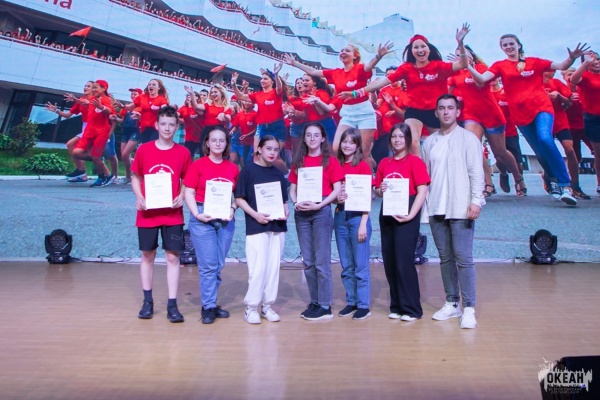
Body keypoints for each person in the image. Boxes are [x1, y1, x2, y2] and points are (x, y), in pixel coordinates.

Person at [467, 34, 589, 205]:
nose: (508, 47)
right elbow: (481, 79)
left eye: (511, 43)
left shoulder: (534, 62)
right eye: (504, 45)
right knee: (539, 152)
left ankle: (565, 184)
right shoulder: (500, 65)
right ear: (501, 48)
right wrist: (466, 64)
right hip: (520, 116)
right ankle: (553, 181)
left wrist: (572, 58)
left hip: (542, 108)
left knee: (545, 139)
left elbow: (562, 65)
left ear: (518, 45)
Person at [341, 25, 470, 156]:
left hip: (435, 111)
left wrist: (460, 43)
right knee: (412, 142)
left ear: (429, 49)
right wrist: (355, 93)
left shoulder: (439, 66)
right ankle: (418, 168)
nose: (420, 50)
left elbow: (462, 64)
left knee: (439, 147)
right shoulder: (406, 68)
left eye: (423, 46)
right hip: (414, 111)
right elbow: (381, 83)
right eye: (416, 47)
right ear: (411, 51)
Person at [421, 94, 485, 329]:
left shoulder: (469, 139)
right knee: (445, 258)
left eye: (450, 108)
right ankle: (451, 302)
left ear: (458, 112)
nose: (446, 112)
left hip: (461, 207)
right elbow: (425, 177)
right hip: (436, 207)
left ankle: (469, 308)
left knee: (463, 259)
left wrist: (476, 201)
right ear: (436, 112)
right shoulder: (429, 142)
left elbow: (476, 172)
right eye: (442, 108)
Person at [283, 42, 394, 169]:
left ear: (355, 56)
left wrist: (378, 56)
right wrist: (294, 63)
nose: (343, 52)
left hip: (364, 113)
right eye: (341, 50)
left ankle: (369, 175)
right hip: (347, 114)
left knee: (363, 153)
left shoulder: (359, 68)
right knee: (337, 148)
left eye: (347, 50)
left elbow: (369, 66)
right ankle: (350, 172)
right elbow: (313, 71)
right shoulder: (336, 73)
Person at [131, 105, 191, 323]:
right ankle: (147, 302)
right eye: (163, 124)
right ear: (156, 125)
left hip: (173, 215)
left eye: (171, 125)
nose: (167, 128)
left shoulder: (183, 153)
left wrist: (182, 195)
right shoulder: (144, 150)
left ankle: (172, 305)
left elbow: (187, 181)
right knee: (147, 256)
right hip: (147, 213)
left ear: (177, 127)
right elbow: (136, 177)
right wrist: (140, 197)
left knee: (173, 257)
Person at [449, 45, 526, 197]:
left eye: (464, 53)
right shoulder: (455, 74)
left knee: (500, 152)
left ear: (472, 55)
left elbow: (480, 83)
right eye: (458, 55)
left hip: (491, 114)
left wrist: (468, 66)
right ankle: (488, 183)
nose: (461, 56)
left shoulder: (482, 68)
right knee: (474, 148)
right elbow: (448, 95)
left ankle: (518, 178)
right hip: (471, 116)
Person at [184, 126, 239, 325]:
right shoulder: (198, 165)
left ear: (226, 144)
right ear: (207, 143)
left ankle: (212, 302)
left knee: (218, 264)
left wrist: (232, 208)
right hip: (202, 218)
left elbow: (238, 196)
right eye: (213, 140)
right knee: (208, 266)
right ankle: (208, 307)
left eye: (221, 140)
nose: (217, 143)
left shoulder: (233, 168)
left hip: (225, 219)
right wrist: (197, 214)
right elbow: (188, 192)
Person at [375, 123, 430, 321]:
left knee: (403, 261)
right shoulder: (384, 163)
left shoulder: (415, 162)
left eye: (401, 136)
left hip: (408, 213)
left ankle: (412, 308)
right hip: (387, 213)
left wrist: (411, 215)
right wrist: (380, 190)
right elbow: (378, 190)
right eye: (394, 136)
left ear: (408, 139)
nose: (397, 140)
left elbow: (422, 191)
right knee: (390, 260)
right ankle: (397, 306)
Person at [288, 123, 343, 320]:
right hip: (302, 213)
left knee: (321, 261)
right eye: (309, 135)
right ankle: (315, 301)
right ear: (304, 138)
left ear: (322, 138)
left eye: (316, 135)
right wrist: (296, 203)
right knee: (309, 261)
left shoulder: (330, 161)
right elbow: (292, 189)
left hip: (321, 212)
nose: (312, 138)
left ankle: (325, 305)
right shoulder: (299, 161)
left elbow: (337, 189)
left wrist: (320, 205)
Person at [235, 135, 289, 324]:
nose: (272, 153)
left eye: (276, 150)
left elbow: (284, 201)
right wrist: (255, 215)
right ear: (259, 149)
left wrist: (286, 210)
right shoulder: (248, 171)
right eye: (269, 149)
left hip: (277, 227)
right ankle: (251, 308)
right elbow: (239, 199)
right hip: (256, 226)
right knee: (258, 269)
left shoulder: (278, 173)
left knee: (273, 269)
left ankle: (267, 306)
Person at [333, 128, 373, 320]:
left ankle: (363, 305)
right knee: (346, 264)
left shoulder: (363, 166)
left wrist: (363, 223)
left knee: (360, 265)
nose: (347, 145)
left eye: (351, 142)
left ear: (357, 145)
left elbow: (367, 196)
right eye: (344, 141)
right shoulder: (336, 165)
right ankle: (352, 301)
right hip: (340, 216)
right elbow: (333, 195)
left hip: (358, 218)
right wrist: (336, 198)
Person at [231, 64, 288, 173]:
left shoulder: (276, 92)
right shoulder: (258, 95)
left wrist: (276, 74)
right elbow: (241, 96)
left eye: (265, 79)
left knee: (274, 157)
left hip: (277, 127)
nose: (262, 80)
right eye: (261, 78)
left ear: (272, 82)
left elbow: (279, 87)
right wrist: (234, 85)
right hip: (262, 128)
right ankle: (262, 177)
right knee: (258, 156)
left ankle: (287, 175)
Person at [543, 71, 590, 199]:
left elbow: (569, 103)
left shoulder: (557, 83)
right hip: (545, 122)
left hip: (560, 122)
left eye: (553, 70)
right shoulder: (535, 84)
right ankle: (548, 177)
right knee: (548, 151)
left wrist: (559, 96)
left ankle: (575, 185)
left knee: (570, 150)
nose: (551, 72)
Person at [45, 81, 93, 182]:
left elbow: (91, 108)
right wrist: (56, 110)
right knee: (73, 146)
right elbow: (68, 115)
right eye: (85, 85)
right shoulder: (80, 100)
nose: (85, 87)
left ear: (94, 89)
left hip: (94, 127)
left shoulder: (94, 100)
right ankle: (82, 171)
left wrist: (76, 100)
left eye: (89, 86)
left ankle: (90, 165)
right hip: (85, 127)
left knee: (72, 145)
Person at [71, 80, 116, 187]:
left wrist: (101, 107)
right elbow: (87, 105)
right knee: (76, 152)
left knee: (96, 157)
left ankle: (101, 178)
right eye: (93, 87)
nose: (93, 89)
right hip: (89, 131)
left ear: (103, 89)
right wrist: (76, 100)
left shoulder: (105, 99)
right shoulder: (92, 99)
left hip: (101, 132)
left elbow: (110, 111)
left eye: (96, 87)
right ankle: (99, 161)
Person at [570, 51, 600, 195]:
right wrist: (585, 63)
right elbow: (574, 79)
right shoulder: (586, 76)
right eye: (591, 60)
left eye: (597, 59)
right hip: (593, 118)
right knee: (599, 154)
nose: (596, 62)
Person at [372, 68, 407, 164]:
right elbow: (377, 104)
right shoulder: (384, 90)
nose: (391, 77)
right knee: (378, 153)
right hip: (382, 129)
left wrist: (393, 109)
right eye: (388, 75)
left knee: (391, 154)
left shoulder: (403, 90)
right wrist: (373, 91)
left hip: (396, 128)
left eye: (393, 74)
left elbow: (405, 113)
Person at [184, 84, 231, 149]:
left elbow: (228, 119)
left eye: (215, 92)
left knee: (216, 150)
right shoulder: (208, 105)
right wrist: (192, 94)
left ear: (222, 93)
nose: (213, 94)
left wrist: (223, 115)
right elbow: (196, 106)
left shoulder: (226, 108)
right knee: (204, 150)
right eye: (212, 92)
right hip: (207, 131)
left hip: (219, 131)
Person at [125, 79, 169, 143]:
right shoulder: (142, 97)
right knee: (145, 145)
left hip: (156, 128)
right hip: (144, 127)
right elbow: (130, 107)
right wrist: (122, 106)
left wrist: (159, 109)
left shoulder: (161, 99)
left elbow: (165, 111)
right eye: (149, 84)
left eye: (154, 85)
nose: (151, 86)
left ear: (159, 88)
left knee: (151, 145)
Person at [113, 88, 142, 184]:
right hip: (125, 131)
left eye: (135, 94)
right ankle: (129, 176)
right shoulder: (127, 108)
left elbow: (143, 120)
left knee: (126, 154)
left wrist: (139, 118)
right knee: (124, 156)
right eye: (132, 94)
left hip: (135, 131)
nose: (133, 96)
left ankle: (132, 173)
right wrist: (115, 118)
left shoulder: (141, 107)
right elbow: (122, 121)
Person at [230, 99, 257, 167]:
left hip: (254, 141)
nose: (246, 103)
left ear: (253, 104)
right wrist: (232, 132)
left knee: (249, 160)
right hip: (244, 141)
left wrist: (247, 135)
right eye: (245, 101)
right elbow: (236, 126)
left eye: (249, 101)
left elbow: (257, 128)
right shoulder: (240, 114)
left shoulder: (255, 114)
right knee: (244, 161)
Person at [178, 91, 203, 159]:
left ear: (196, 97)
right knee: (187, 156)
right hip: (189, 136)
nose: (188, 96)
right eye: (187, 95)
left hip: (201, 136)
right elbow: (175, 116)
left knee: (203, 156)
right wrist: (184, 121)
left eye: (190, 95)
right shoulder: (183, 108)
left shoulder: (199, 107)